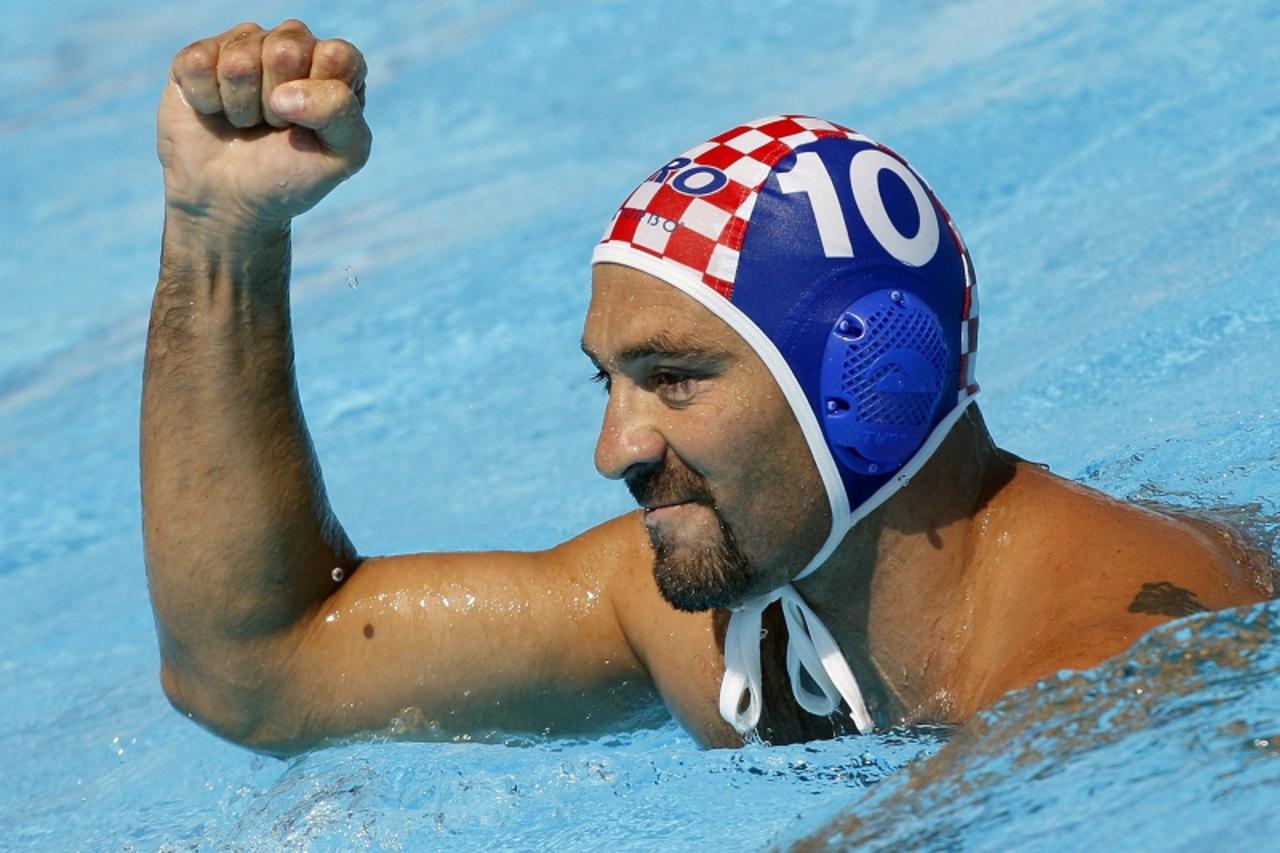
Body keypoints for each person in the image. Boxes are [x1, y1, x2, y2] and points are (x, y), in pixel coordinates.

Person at [144, 20, 1273, 756]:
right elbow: (252, 670)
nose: (614, 447)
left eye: (673, 378)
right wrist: (219, 235)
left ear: (865, 382)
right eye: (609, 382)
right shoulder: (688, 615)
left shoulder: (1118, 661)